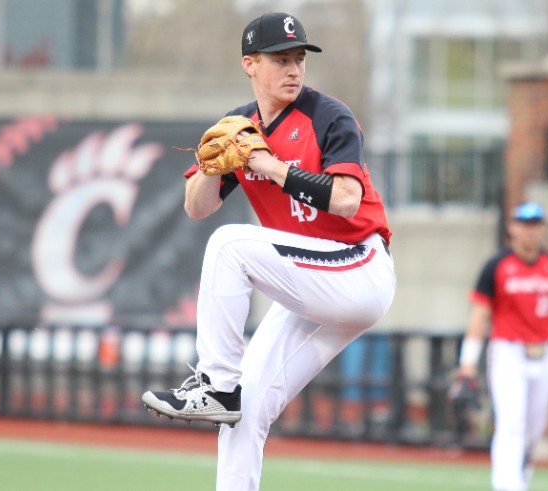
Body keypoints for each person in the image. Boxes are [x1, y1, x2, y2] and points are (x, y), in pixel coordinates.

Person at [141, 11, 396, 491]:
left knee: (229, 245)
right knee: (244, 410)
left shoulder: (328, 115)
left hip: (359, 266)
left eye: (299, 58)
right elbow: (197, 207)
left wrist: (268, 165)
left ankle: (215, 382)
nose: (294, 69)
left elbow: (346, 199)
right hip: (312, 277)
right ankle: (225, 396)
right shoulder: (240, 128)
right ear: (250, 64)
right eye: (281, 59)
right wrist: (212, 165)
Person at [457, 201, 548, 491]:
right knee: (511, 423)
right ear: (512, 227)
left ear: (543, 228)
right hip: (508, 352)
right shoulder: (497, 265)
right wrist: (467, 363)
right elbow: (480, 315)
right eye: (524, 224)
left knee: (533, 429)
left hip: (545, 353)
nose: (530, 230)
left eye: (535, 224)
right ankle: (507, 485)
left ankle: (519, 478)